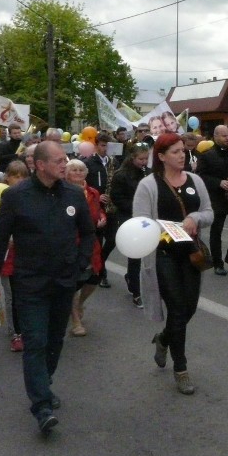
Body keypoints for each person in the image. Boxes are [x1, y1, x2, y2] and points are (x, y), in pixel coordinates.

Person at [0, 141, 95, 434]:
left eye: (64, 159)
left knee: (55, 341)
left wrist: (81, 264)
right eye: (58, 160)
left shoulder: (73, 194)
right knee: (35, 342)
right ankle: (41, 405)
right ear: (40, 165)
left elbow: (88, 231)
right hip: (30, 283)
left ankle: (45, 383)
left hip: (63, 281)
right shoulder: (16, 196)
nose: (64, 164)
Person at [133, 133, 213, 395]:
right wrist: (172, 229)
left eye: (183, 151)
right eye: (176, 151)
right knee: (177, 309)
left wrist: (194, 218)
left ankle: (164, 338)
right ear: (162, 156)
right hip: (163, 256)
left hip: (190, 254)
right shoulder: (148, 185)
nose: (182, 155)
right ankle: (181, 369)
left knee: (188, 310)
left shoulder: (195, 181)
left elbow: (209, 213)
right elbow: (141, 223)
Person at [0, 160, 30, 352]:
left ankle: (26, 328)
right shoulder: (0, 200)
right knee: (12, 297)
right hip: (6, 259)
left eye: (22, 176)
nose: (18, 180)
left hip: (27, 258)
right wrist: (4, 240)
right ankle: (15, 333)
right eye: (15, 176)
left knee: (25, 295)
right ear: (7, 178)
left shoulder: (31, 199)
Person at [196, 124, 228, 275]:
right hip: (217, 198)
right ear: (216, 137)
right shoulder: (207, 155)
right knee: (216, 231)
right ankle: (218, 263)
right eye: (224, 136)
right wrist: (219, 182)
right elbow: (201, 176)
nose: (227, 138)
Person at [63, 159, 106, 337]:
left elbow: (99, 210)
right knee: (73, 281)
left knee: (95, 277)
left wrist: (102, 217)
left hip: (91, 240)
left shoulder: (93, 192)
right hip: (71, 241)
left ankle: (80, 304)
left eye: (81, 170)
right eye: (74, 170)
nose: (79, 173)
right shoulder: (63, 192)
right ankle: (75, 320)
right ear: (66, 174)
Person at [110, 142, 151, 307]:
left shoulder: (148, 173)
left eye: (146, 158)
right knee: (135, 254)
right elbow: (118, 198)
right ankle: (136, 291)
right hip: (129, 217)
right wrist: (136, 207)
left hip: (147, 218)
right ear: (132, 157)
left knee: (148, 254)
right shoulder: (121, 175)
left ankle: (135, 280)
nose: (144, 162)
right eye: (141, 159)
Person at [84, 133, 117, 288]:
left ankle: (100, 264)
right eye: (103, 145)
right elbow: (86, 185)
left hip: (111, 207)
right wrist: (97, 196)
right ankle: (101, 273)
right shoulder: (90, 163)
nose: (105, 149)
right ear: (97, 146)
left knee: (112, 240)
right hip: (97, 207)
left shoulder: (114, 162)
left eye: (107, 146)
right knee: (98, 241)